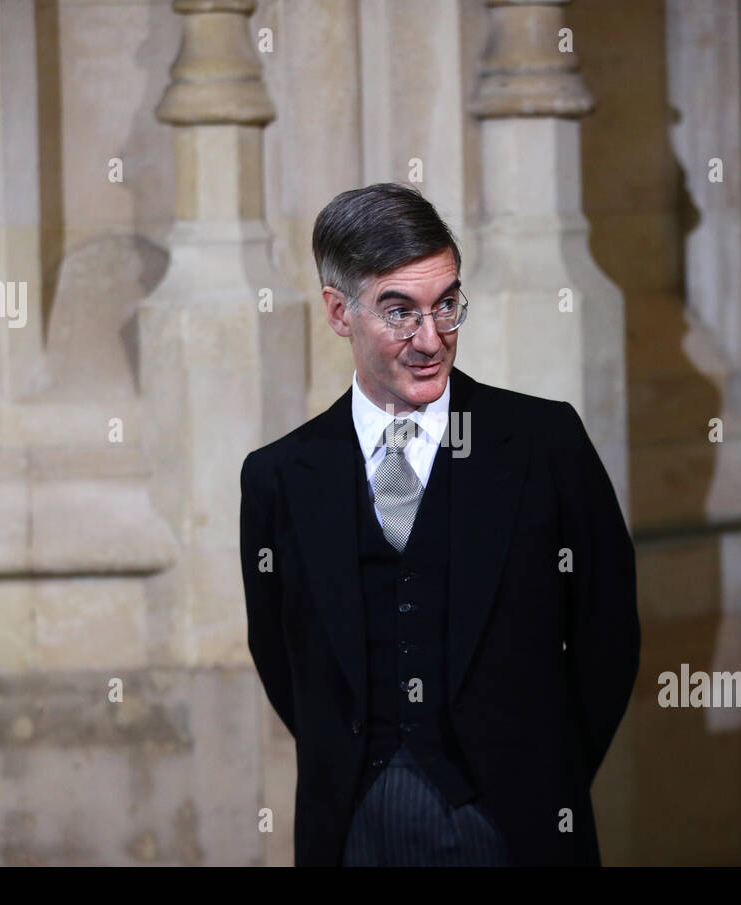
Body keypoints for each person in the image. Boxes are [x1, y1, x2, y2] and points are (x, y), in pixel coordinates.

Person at [239, 182, 640, 866]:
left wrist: (546, 777)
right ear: (339, 312)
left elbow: (608, 637)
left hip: (519, 823)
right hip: (354, 827)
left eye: (446, 304)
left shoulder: (545, 444)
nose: (431, 339)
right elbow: (284, 660)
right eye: (400, 312)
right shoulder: (280, 475)